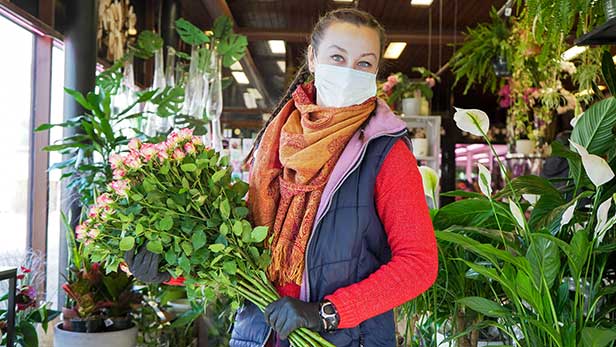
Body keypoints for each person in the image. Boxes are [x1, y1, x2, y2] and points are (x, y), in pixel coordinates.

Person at [127, 8, 438, 347]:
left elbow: (418, 264)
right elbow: (242, 249)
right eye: (337, 57)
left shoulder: (386, 152)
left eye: (364, 63)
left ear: (376, 70)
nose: (349, 72)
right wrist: (170, 268)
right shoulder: (275, 142)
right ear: (313, 59)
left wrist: (325, 312)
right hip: (259, 334)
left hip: (346, 338)